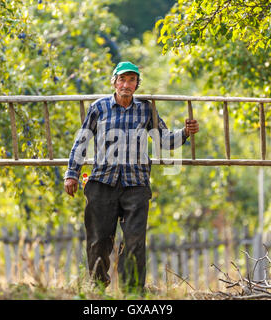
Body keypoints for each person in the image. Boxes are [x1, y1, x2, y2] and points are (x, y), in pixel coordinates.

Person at [64, 61, 199, 292]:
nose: (126, 84)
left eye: (132, 80)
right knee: (98, 240)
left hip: (135, 185)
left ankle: (132, 291)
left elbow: (164, 140)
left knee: (135, 241)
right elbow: (82, 141)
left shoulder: (146, 109)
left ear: (137, 85)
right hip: (102, 183)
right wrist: (71, 174)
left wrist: (185, 132)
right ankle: (97, 287)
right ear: (114, 82)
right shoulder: (99, 108)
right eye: (122, 79)